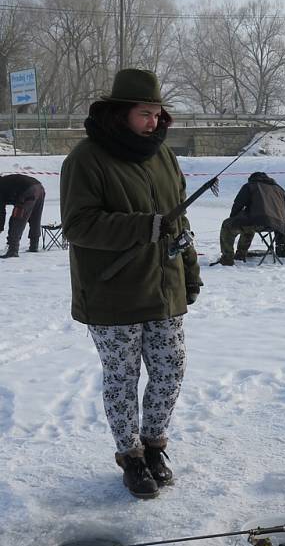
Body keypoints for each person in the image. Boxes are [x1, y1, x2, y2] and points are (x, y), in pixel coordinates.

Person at [60, 68, 202, 500]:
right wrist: (145, 227)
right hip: (112, 294)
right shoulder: (85, 159)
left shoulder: (164, 157)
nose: (154, 122)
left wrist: (190, 271)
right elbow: (78, 225)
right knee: (122, 379)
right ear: (120, 113)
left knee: (169, 371)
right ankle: (131, 457)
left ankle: (155, 446)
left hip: (165, 290)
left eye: (159, 114)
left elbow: (179, 220)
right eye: (145, 114)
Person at [216, 171, 285, 265]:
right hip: (278, 226)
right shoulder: (280, 189)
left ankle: (227, 259)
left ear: (252, 179)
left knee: (228, 225)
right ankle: (240, 255)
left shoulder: (250, 186)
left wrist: (233, 219)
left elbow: (238, 204)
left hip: (257, 222)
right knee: (248, 223)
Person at [0, 173, 45, 258]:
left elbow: (1, 212)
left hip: (27, 191)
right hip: (39, 188)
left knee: (16, 219)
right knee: (35, 218)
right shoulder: (5, 181)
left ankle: (13, 250)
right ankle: (34, 245)